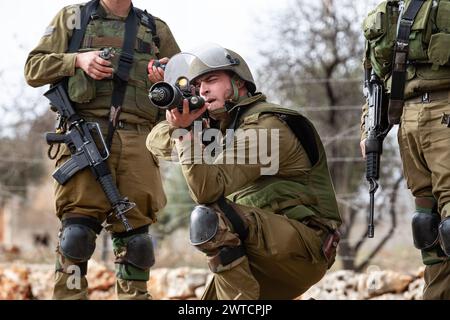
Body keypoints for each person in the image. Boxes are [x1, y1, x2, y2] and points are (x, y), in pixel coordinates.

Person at [147, 44, 342, 299]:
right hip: (260, 247)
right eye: (197, 85)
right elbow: (154, 141)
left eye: (211, 80)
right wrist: (186, 124)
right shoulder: (224, 129)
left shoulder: (267, 128)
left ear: (239, 83)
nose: (203, 89)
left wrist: (187, 137)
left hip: (302, 248)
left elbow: (206, 191)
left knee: (209, 217)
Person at [24, 0, 180, 300]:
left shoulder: (155, 29)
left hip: (139, 140)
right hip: (86, 135)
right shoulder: (74, 17)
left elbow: (182, 85)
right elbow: (33, 68)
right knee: (76, 237)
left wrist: (164, 80)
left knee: (137, 243)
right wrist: (76, 61)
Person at [361, 0, 450, 299]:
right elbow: (374, 79)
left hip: (445, 111)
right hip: (408, 121)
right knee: (427, 227)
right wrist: (369, 129)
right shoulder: (387, 10)